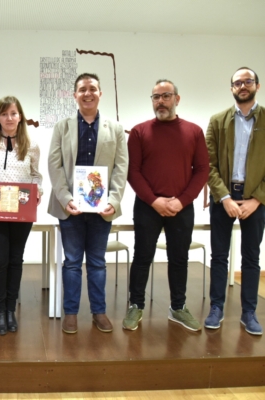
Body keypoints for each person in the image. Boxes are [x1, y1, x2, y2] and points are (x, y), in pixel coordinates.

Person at [124, 79, 209, 332]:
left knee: (179, 258)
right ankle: (136, 305)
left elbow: (202, 170)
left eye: (165, 96)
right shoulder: (139, 132)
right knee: (142, 257)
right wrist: (154, 200)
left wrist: (182, 201)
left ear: (177, 99)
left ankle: (178, 307)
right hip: (147, 206)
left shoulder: (194, 131)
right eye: (155, 97)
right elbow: (133, 171)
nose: (160, 101)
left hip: (182, 207)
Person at [48, 73, 128, 334]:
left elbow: (120, 168)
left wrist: (114, 200)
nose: (87, 93)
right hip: (70, 208)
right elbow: (54, 165)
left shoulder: (115, 129)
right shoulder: (62, 126)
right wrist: (66, 198)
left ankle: (99, 312)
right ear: (75, 95)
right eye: (82, 89)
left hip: (101, 209)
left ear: (100, 93)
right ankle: (71, 313)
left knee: (97, 262)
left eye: (92, 88)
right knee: (71, 261)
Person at [0, 96, 43, 335]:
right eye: (4, 114)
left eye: (13, 113)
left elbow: (36, 175)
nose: (9, 118)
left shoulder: (31, 144)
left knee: (16, 260)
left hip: (21, 211)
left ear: (20, 116)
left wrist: (38, 192)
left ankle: (10, 309)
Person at [205, 67, 265, 336]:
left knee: (251, 258)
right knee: (219, 256)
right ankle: (216, 307)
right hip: (223, 199)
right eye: (238, 83)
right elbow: (208, 165)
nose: (243, 86)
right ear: (231, 88)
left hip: (256, 200)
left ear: (257, 86)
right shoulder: (218, 121)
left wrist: (257, 199)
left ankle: (248, 312)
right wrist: (225, 197)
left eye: (248, 81)